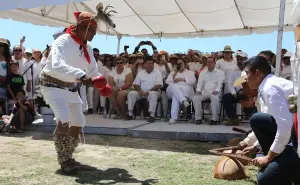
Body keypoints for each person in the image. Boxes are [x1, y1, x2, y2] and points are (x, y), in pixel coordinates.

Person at [39, 11, 104, 173]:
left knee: (79, 121)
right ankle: (64, 160)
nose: (95, 34)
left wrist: (101, 82)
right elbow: (56, 65)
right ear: (83, 27)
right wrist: (82, 76)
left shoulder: (87, 47)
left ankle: (69, 156)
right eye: (93, 31)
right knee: (65, 117)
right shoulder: (62, 41)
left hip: (70, 86)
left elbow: (93, 70)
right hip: (51, 84)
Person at [241, 56, 300, 185]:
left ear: (257, 73)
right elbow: (273, 122)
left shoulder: (270, 88)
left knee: (265, 179)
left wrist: (268, 157)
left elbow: (284, 125)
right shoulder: (270, 85)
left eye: (246, 73)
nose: (245, 77)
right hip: (294, 139)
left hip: (296, 144)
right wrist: (255, 147)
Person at [126, 55, 163, 123]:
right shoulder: (141, 72)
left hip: (154, 92)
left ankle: (152, 115)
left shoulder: (157, 72)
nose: (150, 65)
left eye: (152, 63)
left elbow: (158, 85)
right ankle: (130, 113)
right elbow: (136, 84)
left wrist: (148, 91)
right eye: (148, 63)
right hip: (142, 93)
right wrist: (140, 91)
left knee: (152, 94)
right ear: (145, 64)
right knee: (131, 93)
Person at [193, 56, 225, 125]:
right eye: (208, 62)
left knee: (215, 97)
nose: (209, 63)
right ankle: (198, 118)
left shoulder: (220, 72)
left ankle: (214, 119)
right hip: (204, 92)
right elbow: (199, 83)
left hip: (215, 91)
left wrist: (217, 90)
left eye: (211, 62)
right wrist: (198, 90)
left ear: (214, 63)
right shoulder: (203, 73)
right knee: (196, 97)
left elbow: (220, 83)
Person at [166, 59, 196, 124]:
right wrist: (174, 74)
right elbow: (167, 82)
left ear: (184, 63)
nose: (180, 65)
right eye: (178, 64)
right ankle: (183, 100)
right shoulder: (173, 72)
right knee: (172, 86)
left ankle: (173, 118)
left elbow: (193, 81)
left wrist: (183, 79)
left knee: (175, 96)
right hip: (174, 89)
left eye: (181, 63)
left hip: (185, 91)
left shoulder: (190, 72)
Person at [222, 51, 247, 126]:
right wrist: (233, 93)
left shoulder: (250, 70)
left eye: (241, 59)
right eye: (238, 59)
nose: (239, 61)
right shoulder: (234, 71)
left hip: (249, 93)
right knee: (226, 97)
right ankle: (233, 119)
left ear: (246, 59)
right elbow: (230, 83)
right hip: (238, 93)